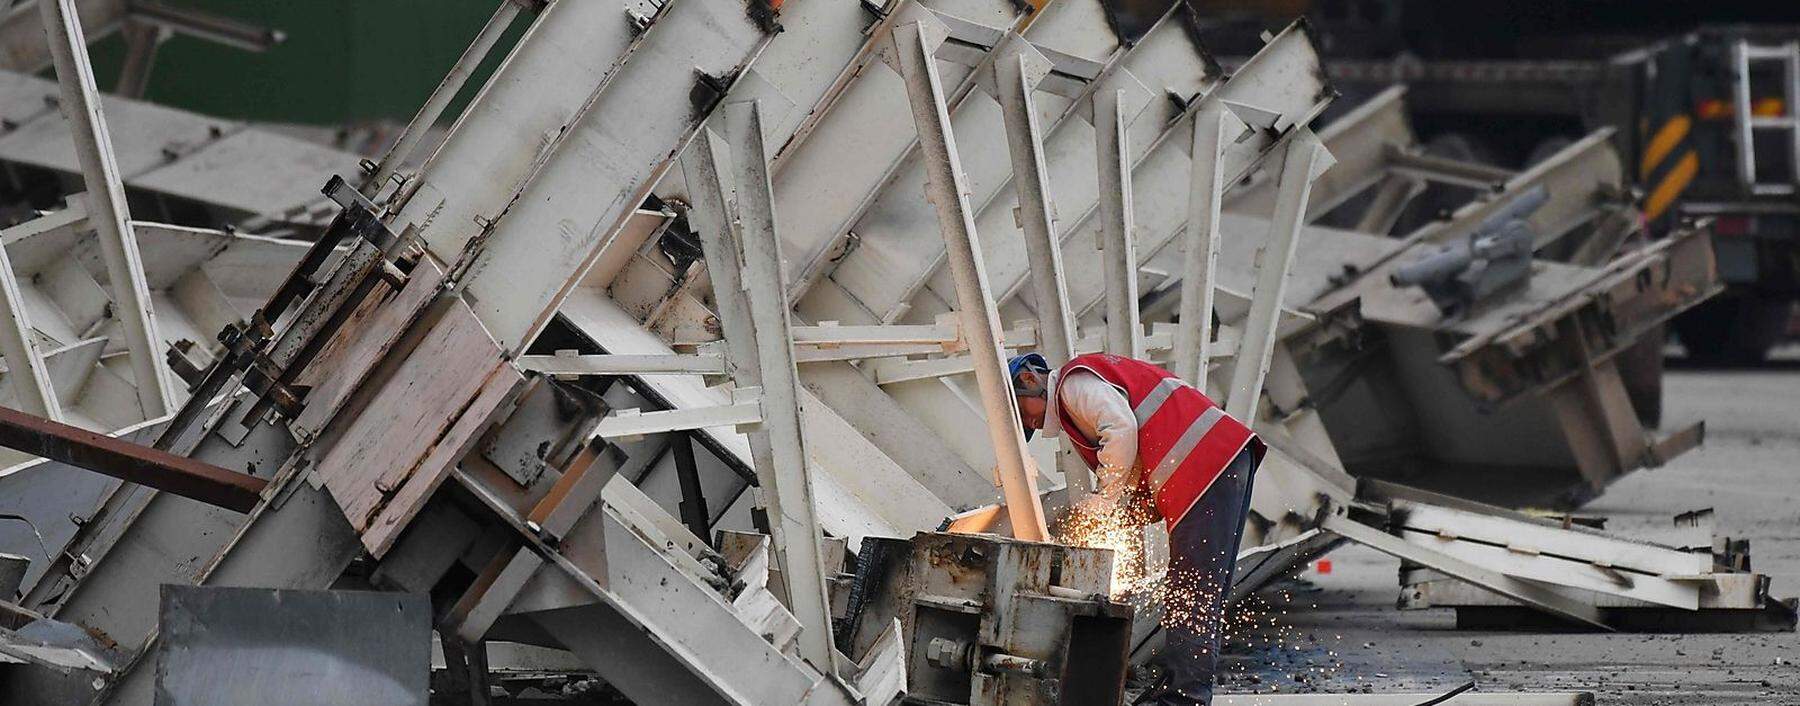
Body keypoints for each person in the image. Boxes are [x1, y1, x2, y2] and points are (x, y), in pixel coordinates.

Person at [1009, 352, 1264, 705]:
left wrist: (1104, 499)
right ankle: (1179, 688)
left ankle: (1184, 699)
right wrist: (1122, 515)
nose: (1031, 424)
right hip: (1223, 459)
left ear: (1028, 381)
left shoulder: (1072, 384)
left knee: (1192, 593)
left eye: (1023, 413)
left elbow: (1121, 429)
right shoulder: (1084, 392)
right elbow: (1141, 456)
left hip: (1206, 464)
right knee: (1199, 592)